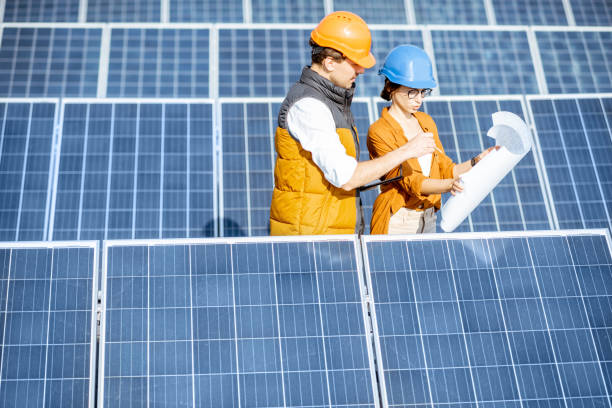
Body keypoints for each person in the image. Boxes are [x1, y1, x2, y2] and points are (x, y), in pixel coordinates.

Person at [269, 12, 436, 236]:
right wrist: (407, 151)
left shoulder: (333, 101)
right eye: (355, 63)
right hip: (310, 242)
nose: (362, 70)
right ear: (329, 63)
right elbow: (346, 176)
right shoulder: (309, 106)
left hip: (328, 235)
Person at [367, 45, 498, 234]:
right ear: (390, 86)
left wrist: (475, 162)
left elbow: (447, 170)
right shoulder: (379, 131)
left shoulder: (426, 122)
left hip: (428, 218)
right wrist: (448, 186)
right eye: (412, 91)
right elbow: (411, 182)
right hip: (398, 221)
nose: (419, 99)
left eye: (423, 92)